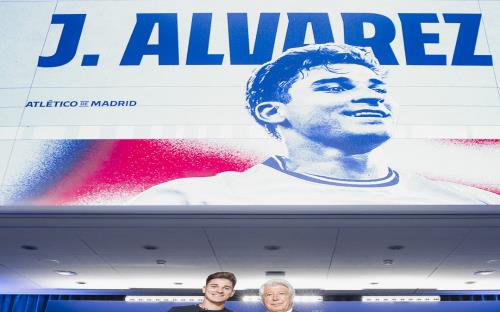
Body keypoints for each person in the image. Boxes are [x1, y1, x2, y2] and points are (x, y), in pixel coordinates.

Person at [130, 42, 499, 205]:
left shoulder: (475, 203)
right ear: (272, 111)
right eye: (335, 87)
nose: (371, 97)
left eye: (377, 88)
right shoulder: (191, 199)